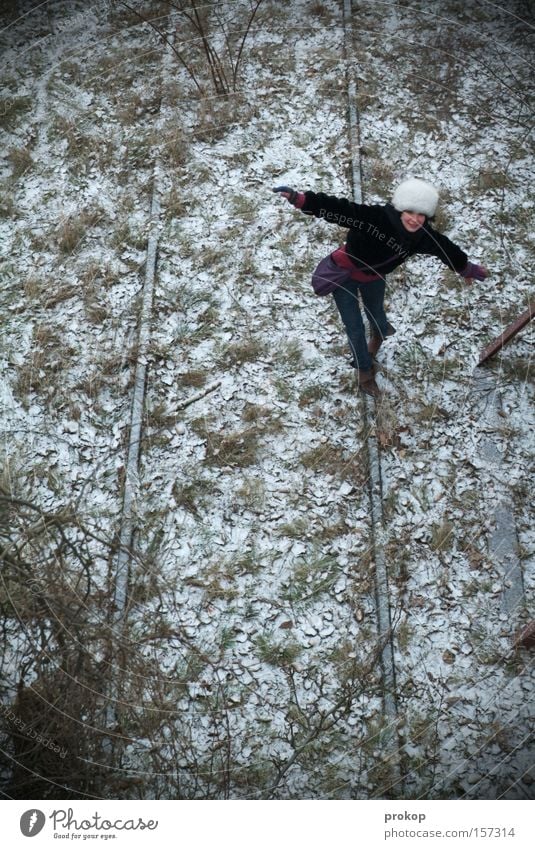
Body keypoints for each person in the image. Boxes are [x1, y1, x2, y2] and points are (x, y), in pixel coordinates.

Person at [273, 178, 488, 397]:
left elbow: (446, 249)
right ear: (400, 208)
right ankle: (365, 372)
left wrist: (465, 268)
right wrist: (300, 199)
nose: (415, 219)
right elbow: (339, 209)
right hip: (344, 276)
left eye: (421, 215)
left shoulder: (422, 237)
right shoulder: (375, 218)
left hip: (374, 277)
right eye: (410, 212)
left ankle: (378, 335)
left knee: (376, 314)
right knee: (354, 328)